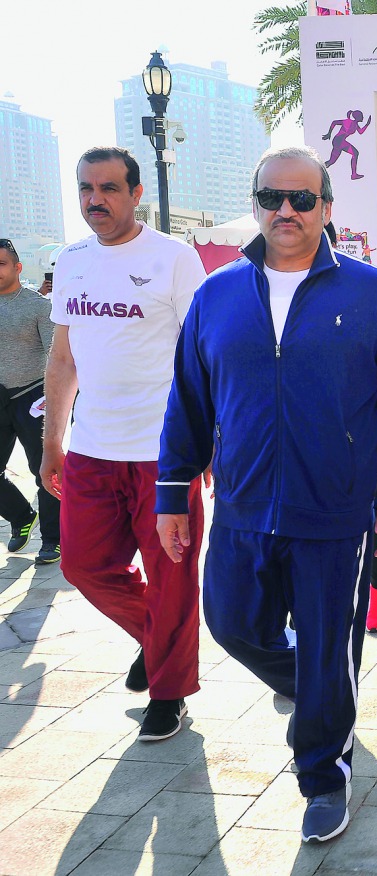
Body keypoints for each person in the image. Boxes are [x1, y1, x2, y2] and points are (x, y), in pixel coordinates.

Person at [156, 145, 377, 841]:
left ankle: (322, 773)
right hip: (242, 505)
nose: (287, 210)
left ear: (327, 209)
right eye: (273, 197)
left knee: (331, 638)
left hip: (338, 510)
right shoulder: (216, 296)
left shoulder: (370, 292)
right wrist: (169, 493)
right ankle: (325, 696)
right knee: (232, 624)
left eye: (303, 199)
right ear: (255, 204)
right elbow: (187, 400)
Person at [42, 147, 208, 742]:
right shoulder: (72, 260)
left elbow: (202, 355)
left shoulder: (174, 258)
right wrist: (52, 440)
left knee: (172, 577)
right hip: (92, 449)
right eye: (86, 188)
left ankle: (169, 691)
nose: (95, 200)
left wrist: (207, 442)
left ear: (136, 193)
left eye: (109, 188)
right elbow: (64, 357)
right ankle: (157, 639)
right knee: (82, 565)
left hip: (164, 455)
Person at [0, 238, 59, 564]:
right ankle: (22, 517)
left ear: (17, 267)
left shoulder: (38, 305)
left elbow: (56, 353)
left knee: (45, 472)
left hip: (33, 396)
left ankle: (53, 539)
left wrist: (54, 397)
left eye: (1, 264)